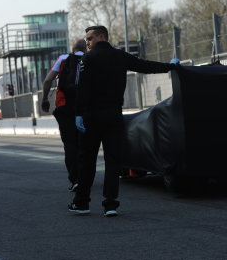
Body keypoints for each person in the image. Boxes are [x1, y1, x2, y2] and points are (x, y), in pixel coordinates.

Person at [68, 25, 176, 217]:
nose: (87, 43)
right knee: (112, 162)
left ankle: (81, 202)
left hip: (90, 117)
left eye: (90, 38)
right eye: (86, 40)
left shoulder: (87, 59)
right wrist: (170, 66)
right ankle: (110, 204)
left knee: (87, 161)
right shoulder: (120, 56)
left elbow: (81, 90)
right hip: (113, 115)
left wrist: (78, 114)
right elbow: (146, 66)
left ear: (101, 36)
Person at [41, 38, 87, 192]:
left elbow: (47, 81)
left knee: (70, 144)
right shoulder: (89, 58)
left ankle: (75, 180)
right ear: (85, 48)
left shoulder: (63, 59)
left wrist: (45, 99)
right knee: (84, 144)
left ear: (72, 49)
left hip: (64, 107)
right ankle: (86, 177)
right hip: (85, 107)